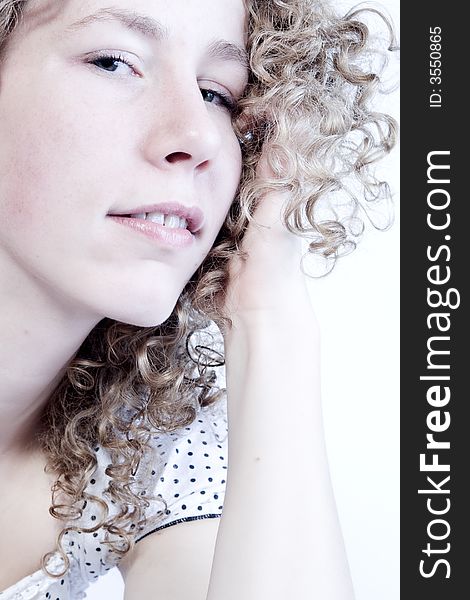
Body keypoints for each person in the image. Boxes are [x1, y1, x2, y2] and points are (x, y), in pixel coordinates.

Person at [0, 0, 397, 598]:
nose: (196, 136)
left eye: (218, 94)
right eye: (114, 62)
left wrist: (269, 321)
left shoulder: (146, 446)